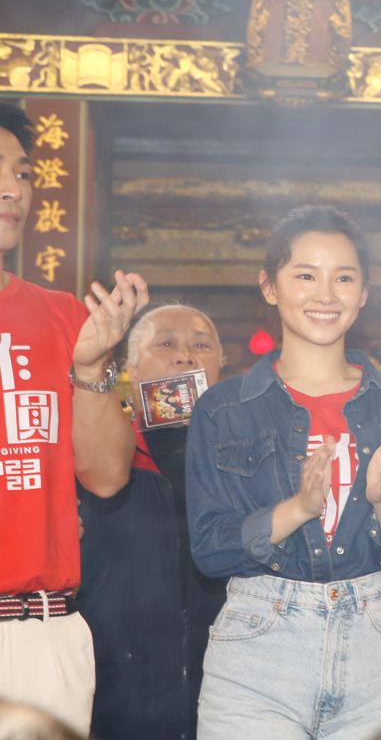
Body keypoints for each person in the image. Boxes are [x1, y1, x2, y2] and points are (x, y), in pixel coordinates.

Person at [185, 205, 381, 740]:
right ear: (270, 286)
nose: (326, 294)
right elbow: (210, 548)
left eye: (344, 278)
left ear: (364, 293)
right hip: (257, 655)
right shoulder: (224, 409)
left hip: (375, 648)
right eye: (305, 275)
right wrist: (299, 509)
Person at [0, 102, 147, 735]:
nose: (13, 189)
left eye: (22, 173)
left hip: (42, 631)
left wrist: (92, 365)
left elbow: (108, 476)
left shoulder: (63, 316)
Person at [77, 303, 230, 740]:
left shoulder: (242, 458)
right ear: (130, 364)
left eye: (201, 345)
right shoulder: (98, 454)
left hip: (224, 688)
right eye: (166, 343)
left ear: (221, 363)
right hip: (116, 690)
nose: (185, 356)